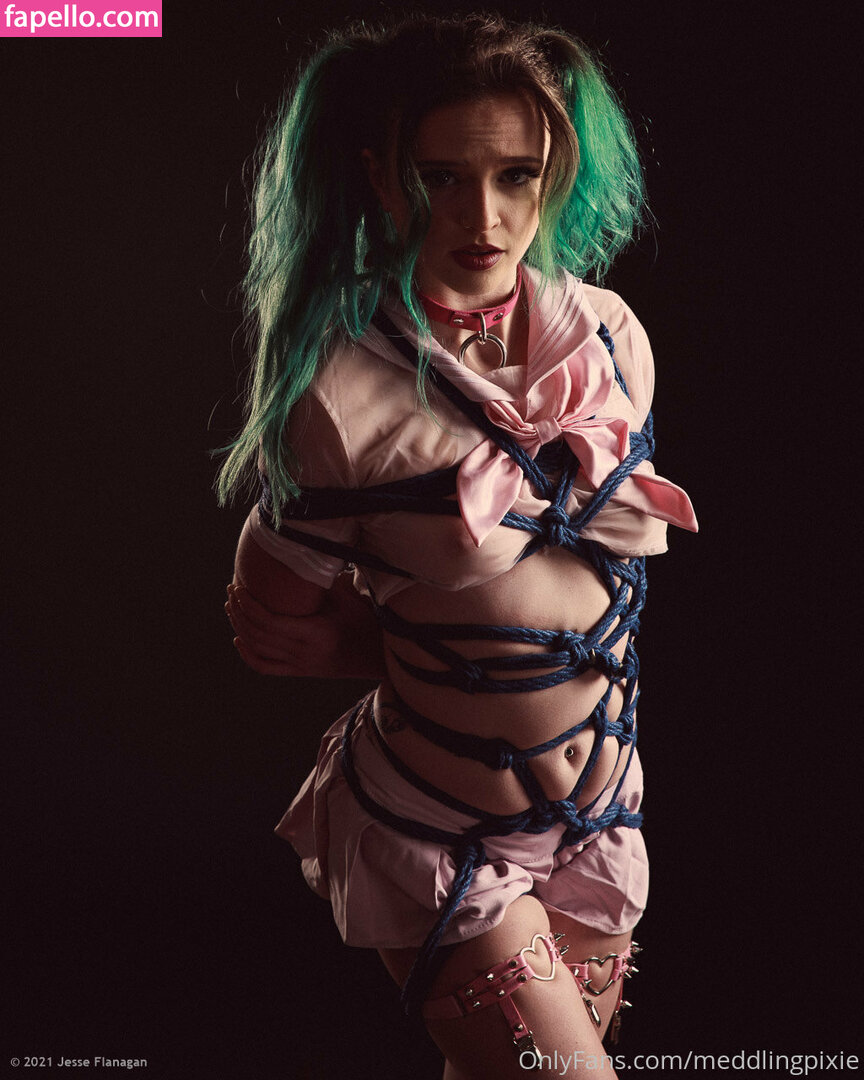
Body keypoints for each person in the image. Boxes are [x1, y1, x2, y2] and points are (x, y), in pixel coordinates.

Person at [218, 13, 697, 1078]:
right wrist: (388, 648)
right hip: (441, 833)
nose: (485, 217)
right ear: (380, 180)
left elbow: (598, 579)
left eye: (516, 175)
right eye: (440, 178)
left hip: (601, 820)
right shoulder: (338, 385)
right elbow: (269, 621)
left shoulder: (610, 334)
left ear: (554, 173)